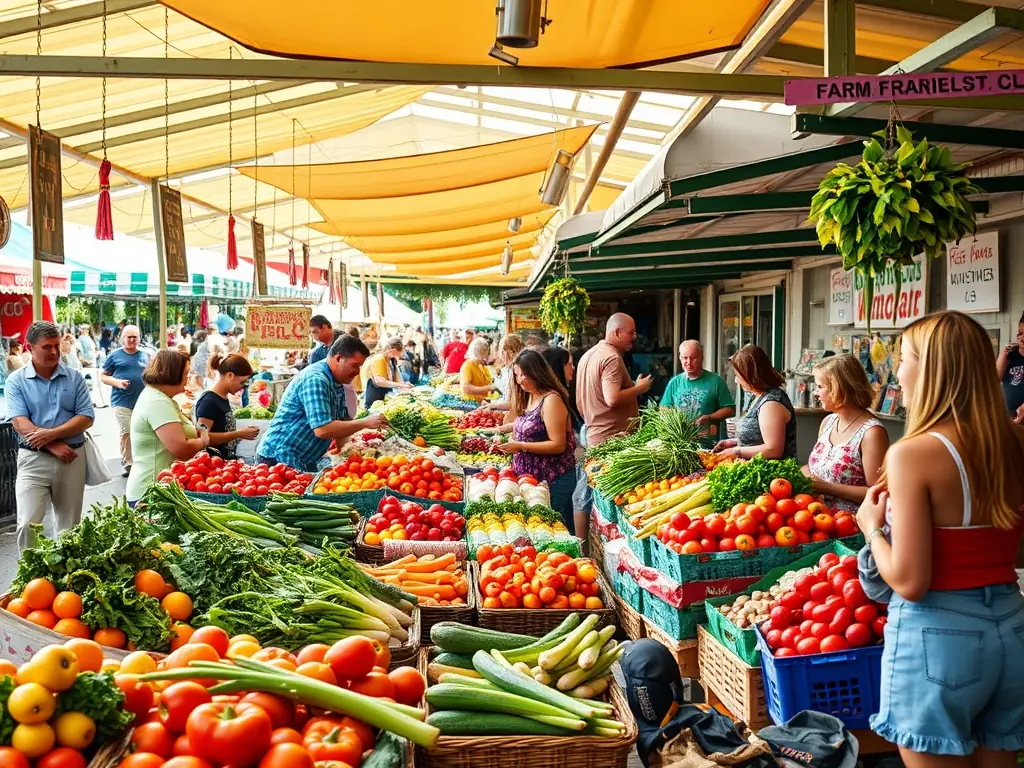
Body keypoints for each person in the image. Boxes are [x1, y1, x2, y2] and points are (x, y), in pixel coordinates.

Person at [856, 311, 1024, 766]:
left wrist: (872, 528)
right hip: (1011, 624)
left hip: (940, 637)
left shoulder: (912, 453)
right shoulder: (1014, 440)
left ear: (931, 369)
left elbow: (910, 581)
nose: (897, 372)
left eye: (904, 358)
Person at [5, 321, 95, 550]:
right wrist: (52, 444)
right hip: (33, 459)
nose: (54, 351)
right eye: (47, 347)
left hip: (72, 457)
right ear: (30, 347)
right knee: (27, 523)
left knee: (69, 527)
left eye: (57, 345)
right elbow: (19, 421)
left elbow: (86, 417)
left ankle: (65, 571)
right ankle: (30, 570)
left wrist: (52, 434)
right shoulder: (16, 380)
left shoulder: (75, 378)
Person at [257, 335, 387, 472]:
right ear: (338, 358)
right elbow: (322, 429)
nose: (357, 372)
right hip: (279, 458)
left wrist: (351, 456)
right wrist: (365, 422)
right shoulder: (316, 379)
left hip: (303, 459)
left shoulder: (336, 381)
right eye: (355, 365)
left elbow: (341, 425)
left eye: (360, 366)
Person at [492, 349, 578, 531]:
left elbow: (558, 445)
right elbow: (530, 423)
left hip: (552, 479)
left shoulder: (551, 400)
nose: (520, 380)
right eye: (517, 375)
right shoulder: (530, 396)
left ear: (536, 372)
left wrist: (520, 446)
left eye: (523, 375)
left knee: (554, 530)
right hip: (532, 480)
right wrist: (500, 432)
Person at [803, 354, 889, 512]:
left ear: (839, 388)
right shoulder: (828, 422)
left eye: (820, 386)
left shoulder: (872, 433)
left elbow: (877, 494)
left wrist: (827, 487)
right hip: (817, 519)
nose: (816, 392)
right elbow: (820, 469)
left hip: (851, 523)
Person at [126, 350, 208, 503]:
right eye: (186, 372)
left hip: (159, 488)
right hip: (151, 491)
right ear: (173, 373)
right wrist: (203, 441)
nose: (188, 377)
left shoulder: (158, 397)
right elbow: (181, 449)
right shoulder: (158, 403)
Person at [576, 313, 651, 449]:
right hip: (613, 441)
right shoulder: (612, 358)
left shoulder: (587, 355)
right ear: (617, 332)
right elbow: (612, 399)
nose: (634, 337)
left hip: (595, 437)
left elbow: (580, 403)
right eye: (631, 333)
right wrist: (640, 388)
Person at [713, 345, 796, 460]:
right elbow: (757, 438)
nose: (736, 381)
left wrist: (736, 451)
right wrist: (733, 442)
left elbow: (773, 449)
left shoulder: (771, 404)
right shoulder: (756, 396)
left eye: (738, 376)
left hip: (769, 470)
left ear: (751, 376)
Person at [660, 340, 735, 449]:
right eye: (685, 358)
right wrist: (675, 421)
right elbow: (664, 408)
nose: (688, 362)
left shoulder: (716, 381)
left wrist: (710, 417)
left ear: (702, 357)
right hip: (680, 445)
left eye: (693, 358)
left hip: (710, 445)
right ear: (680, 358)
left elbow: (729, 409)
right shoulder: (674, 382)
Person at [101, 325, 149, 477]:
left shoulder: (146, 355)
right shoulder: (114, 356)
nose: (132, 340)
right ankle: (128, 463)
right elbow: (103, 376)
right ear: (123, 338)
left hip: (142, 401)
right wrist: (117, 382)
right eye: (129, 337)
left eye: (135, 337)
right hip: (121, 400)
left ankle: (142, 460)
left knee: (141, 431)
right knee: (127, 430)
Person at [195, 352, 260, 460]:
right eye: (242, 382)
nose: (242, 387)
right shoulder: (209, 401)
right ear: (230, 376)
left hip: (226, 462)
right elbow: (202, 437)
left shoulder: (223, 398)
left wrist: (241, 433)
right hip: (214, 463)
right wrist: (237, 434)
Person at [540, 344, 582, 431]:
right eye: (569, 364)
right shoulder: (554, 398)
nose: (573, 368)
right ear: (558, 367)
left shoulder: (565, 391)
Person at [361, 337, 413, 407]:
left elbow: (398, 380)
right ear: (391, 349)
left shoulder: (392, 361)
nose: (397, 356)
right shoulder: (379, 359)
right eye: (397, 352)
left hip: (385, 399)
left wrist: (405, 385)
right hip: (374, 400)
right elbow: (380, 381)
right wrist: (402, 385)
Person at [997, 311, 1024, 420]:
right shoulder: (1011, 356)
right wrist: (1003, 354)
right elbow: (997, 376)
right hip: (1008, 417)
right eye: (1020, 333)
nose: (1022, 337)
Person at [459, 337, 496, 403]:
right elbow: (466, 388)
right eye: (486, 352)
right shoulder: (468, 365)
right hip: (471, 404)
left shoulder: (482, 366)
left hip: (483, 403)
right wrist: (488, 388)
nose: (487, 355)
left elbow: (488, 384)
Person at [493, 334, 525, 402]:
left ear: (511, 352)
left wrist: (492, 405)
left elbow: (513, 402)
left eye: (503, 351)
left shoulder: (515, 370)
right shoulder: (507, 369)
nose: (500, 355)